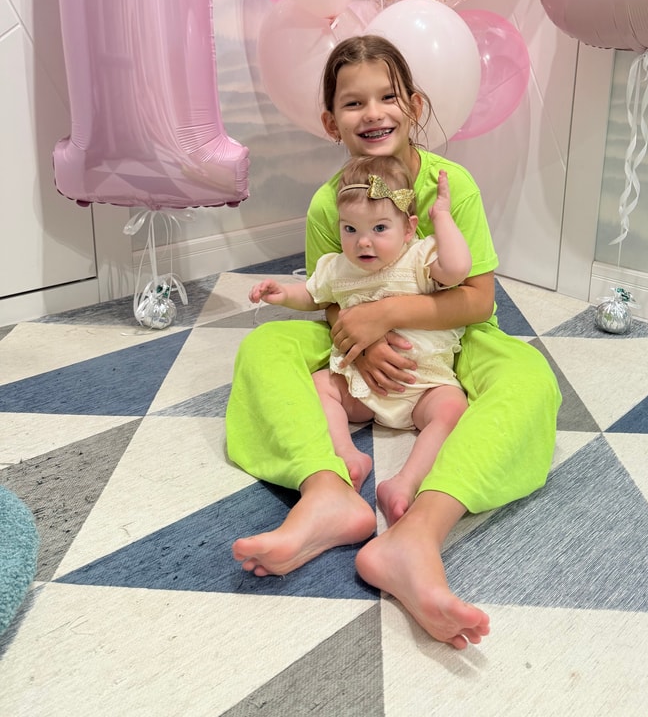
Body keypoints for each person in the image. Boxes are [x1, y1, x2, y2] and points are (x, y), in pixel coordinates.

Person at [227, 34, 561, 650]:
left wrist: (387, 315)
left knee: (530, 378)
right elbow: (330, 293)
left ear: (414, 105)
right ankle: (327, 492)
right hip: (355, 337)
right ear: (331, 121)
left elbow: (478, 299)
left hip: (451, 334)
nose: (373, 113)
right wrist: (360, 337)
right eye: (353, 103)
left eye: (388, 97)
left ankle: (417, 534)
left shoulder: (450, 185)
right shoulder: (328, 203)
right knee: (263, 349)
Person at [248, 154, 472, 526]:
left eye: (380, 228)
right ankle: (347, 455)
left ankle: (405, 483)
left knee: (452, 408)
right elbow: (314, 295)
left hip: (423, 384)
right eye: (350, 229)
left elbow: (458, 269)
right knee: (320, 385)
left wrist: (443, 218)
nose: (363, 242)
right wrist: (283, 294)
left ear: (408, 228)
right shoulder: (338, 267)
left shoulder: (419, 257)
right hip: (361, 382)